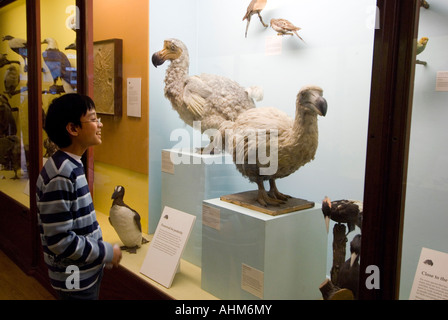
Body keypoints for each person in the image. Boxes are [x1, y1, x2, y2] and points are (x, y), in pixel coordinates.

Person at [36, 93, 122, 300]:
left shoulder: (70, 165)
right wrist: (106, 252)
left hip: (83, 273)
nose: (99, 124)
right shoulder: (62, 173)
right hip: (75, 279)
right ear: (73, 128)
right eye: (93, 119)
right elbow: (59, 240)